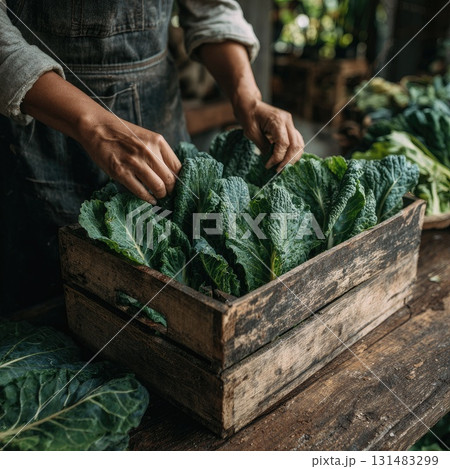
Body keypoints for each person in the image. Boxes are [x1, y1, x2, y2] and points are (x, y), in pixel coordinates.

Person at [0, 0, 304, 316]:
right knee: (51, 304)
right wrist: (92, 123)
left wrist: (249, 98)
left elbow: (211, 9)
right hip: (38, 114)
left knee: (175, 296)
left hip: (157, 115)